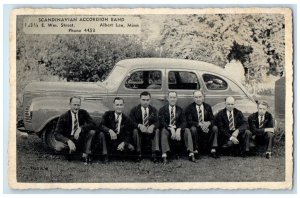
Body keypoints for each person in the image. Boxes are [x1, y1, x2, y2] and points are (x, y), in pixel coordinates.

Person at [54, 96, 96, 165]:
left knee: (92, 132)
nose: (76, 107)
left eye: (78, 105)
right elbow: (56, 134)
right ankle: (75, 154)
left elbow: (93, 124)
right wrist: (68, 141)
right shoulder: (64, 116)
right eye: (74, 105)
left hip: (80, 138)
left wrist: (81, 128)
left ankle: (85, 154)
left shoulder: (83, 113)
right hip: (69, 139)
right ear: (70, 104)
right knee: (58, 147)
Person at [97, 97, 141, 162]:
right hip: (109, 140)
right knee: (101, 134)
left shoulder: (126, 119)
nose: (119, 107)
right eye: (117, 105)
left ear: (123, 106)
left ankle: (134, 155)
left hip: (119, 141)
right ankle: (105, 155)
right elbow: (101, 126)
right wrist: (110, 131)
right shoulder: (108, 114)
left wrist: (123, 143)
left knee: (130, 148)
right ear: (113, 106)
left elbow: (128, 134)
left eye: (121, 105)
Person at [159, 91, 195, 164]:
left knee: (187, 130)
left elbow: (184, 122)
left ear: (176, 98)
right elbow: (162, 122)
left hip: (178, 130)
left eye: (174, 97)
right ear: (168, 98)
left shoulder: (180, 110)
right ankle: (164, 154)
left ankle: (191, 153)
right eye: (171, 97)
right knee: (163, 131)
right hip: (168, 130)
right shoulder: (162, 109)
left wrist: (179, 129)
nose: (172, 99)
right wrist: (170, 128)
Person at [185, 90, 219, 158]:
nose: (198, 99)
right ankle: (195, 150)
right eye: (196, 97)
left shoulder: (207, 107)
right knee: (193, 129)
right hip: (196, 127)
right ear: (193, 98)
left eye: (200, 97)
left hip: (206, 127)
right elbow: (189, 121)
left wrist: (208, 123)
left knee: (215, 128)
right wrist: (199, 124)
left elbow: (212, 119)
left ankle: (213, 149)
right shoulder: (190, 108)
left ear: (203, 97)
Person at [129, 91, 160, 162]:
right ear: (140, 100)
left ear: (150, 100)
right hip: (140, 131)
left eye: (147, 100)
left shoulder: (153, 110)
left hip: (150, 130)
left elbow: (158, 121)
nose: (145, 102)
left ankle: (154, 153)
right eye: (143, 100)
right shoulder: (134, 110)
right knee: (135, 131)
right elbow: (131, 122)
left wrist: (153, 126)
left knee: (157, 130)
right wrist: (139, 125)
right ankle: (138, 153)